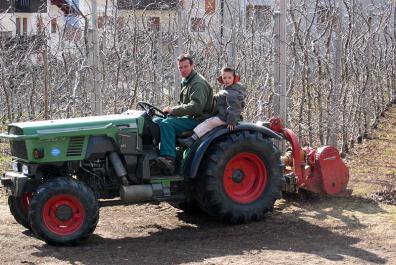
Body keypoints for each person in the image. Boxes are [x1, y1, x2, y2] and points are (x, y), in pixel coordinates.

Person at [154, 54, 213, 174]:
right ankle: (154, 154)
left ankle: (168, 158)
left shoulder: (197, 83)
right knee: (155, 121)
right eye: (180, 67)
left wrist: (174, 111)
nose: (183, 70)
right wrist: (172, 112)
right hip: (189, 117)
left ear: (192, 66)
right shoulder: (186, 81)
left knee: (167, 124)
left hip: (198, 120)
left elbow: (197, 108)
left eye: (185, 66)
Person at [178, 67, 246, 147]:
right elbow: (221, 97)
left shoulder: (233, 93)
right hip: (223, 114)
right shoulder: (228, 89)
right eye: (224, 78)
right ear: (221, 78)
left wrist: (231, 121)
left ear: (234, 78)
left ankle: (192, 139)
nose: (226, 80)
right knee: (207, 120)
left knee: (209, 123)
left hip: (225, 117)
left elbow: (235, 107)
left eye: (229, 78)